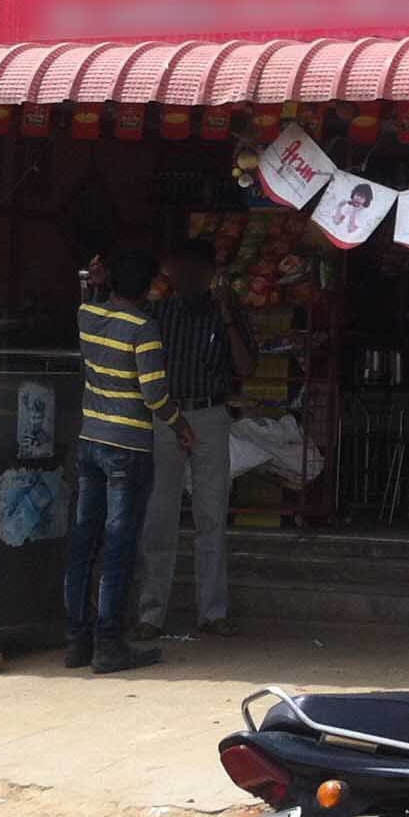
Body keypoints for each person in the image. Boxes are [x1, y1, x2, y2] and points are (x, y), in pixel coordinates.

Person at [68, 249, 192, 675]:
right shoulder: (144, 328)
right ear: (146, 288)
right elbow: (155, 394)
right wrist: (180, 426)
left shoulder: (86, 316)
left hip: (89, 441)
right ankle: (108, 643)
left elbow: (89, 296)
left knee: (85, 542)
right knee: (119, 546)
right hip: (129, 448)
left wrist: (96, 283)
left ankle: (76, 640)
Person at [131, 238, 254, 643]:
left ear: (208, 274)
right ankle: (151, 613)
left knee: (211, 515)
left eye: (194, 271)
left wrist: (226, 314)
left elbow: (246, 366)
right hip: (167, 415)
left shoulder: (225, 314)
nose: (186, 278)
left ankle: (212, 612)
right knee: (159, 516)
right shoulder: (158, 312)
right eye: (179, 270)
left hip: (209, 413)